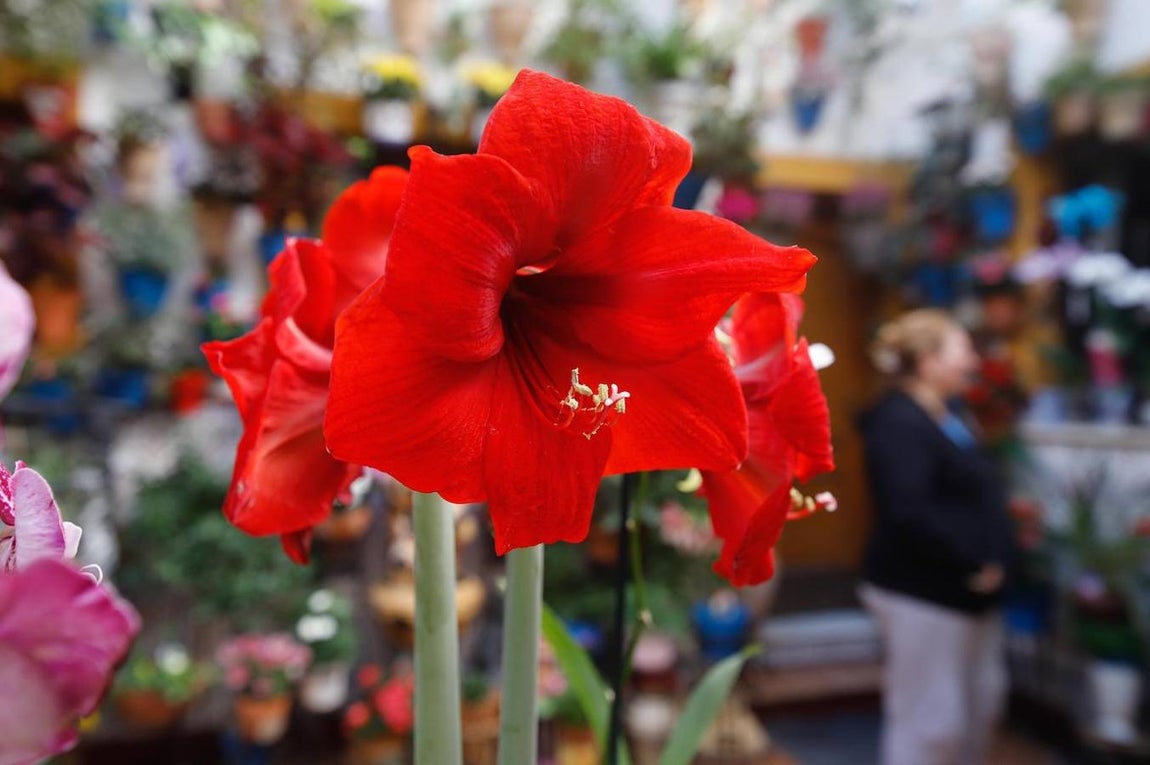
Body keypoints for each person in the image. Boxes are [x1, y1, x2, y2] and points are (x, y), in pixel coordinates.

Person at [859, 309, 1015, 765]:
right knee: (930, 722)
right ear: (928, 361)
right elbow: (909, 511)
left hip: (969, 596)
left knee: (978, 707)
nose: (972, 361)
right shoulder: (897, 422)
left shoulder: (952, 415)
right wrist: (972, 562)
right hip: (923, 592)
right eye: (962, 350)